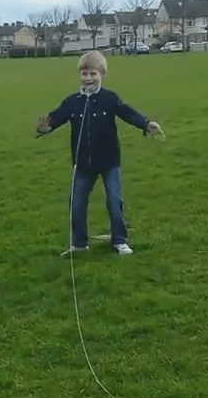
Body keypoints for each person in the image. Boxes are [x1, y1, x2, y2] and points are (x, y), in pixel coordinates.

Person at [36, 50, 164, 256]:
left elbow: (128, 113)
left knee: (114, 201)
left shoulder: (110, 98)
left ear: (103, 74)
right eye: (85, 74)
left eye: (93, 74)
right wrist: (45, 127)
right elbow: (55, 118)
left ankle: (120, 241)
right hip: (83, 164)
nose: (88, 78)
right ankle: (79, 244)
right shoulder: (72, 102)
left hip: (109, 161)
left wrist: (146, 124)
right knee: (76, 203)